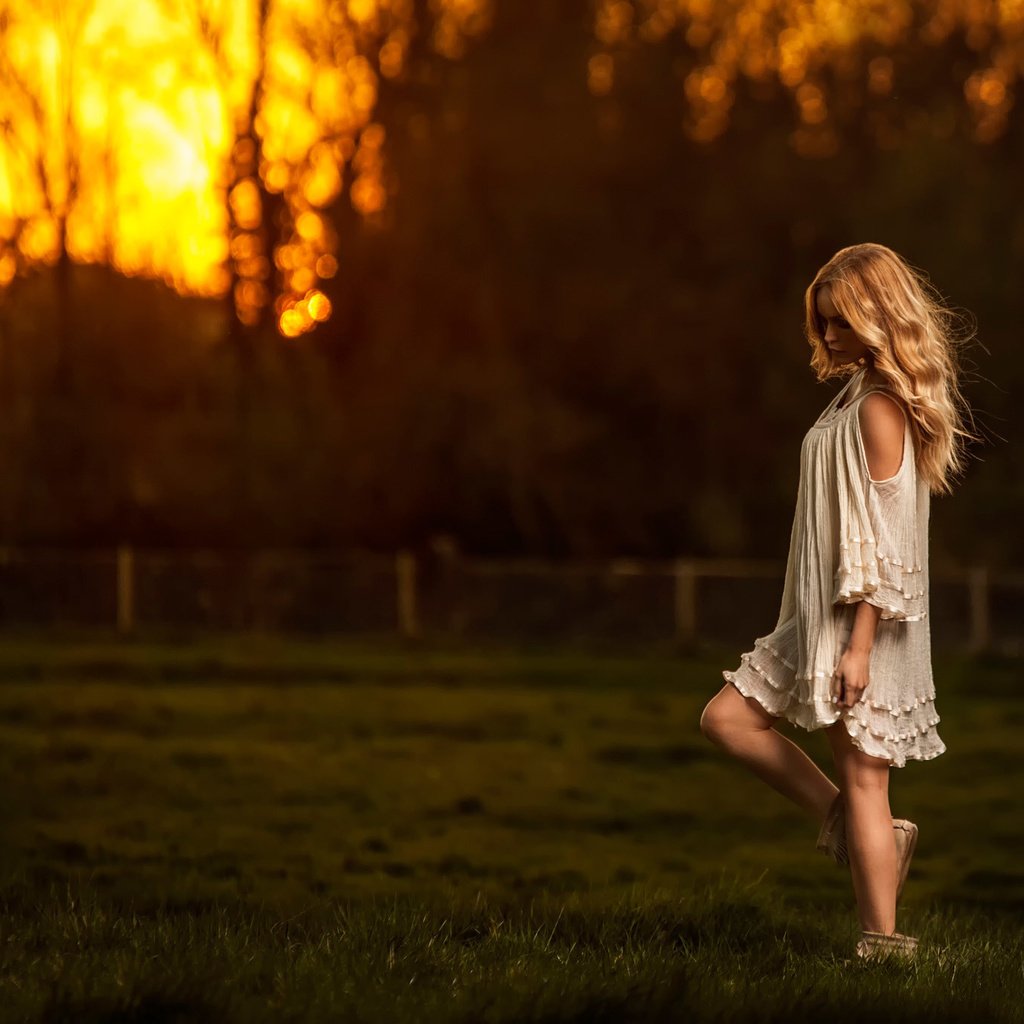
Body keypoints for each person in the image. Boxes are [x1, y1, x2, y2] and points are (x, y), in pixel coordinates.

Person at [699, 243, 977, 963]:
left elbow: (889, 546)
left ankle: (884, 946)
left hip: (862, 625)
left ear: (877, 318)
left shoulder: (882, 408)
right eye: (820, 323)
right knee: (727, 721)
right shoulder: (853, 392)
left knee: (864, 779)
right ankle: (858, 831)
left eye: (840, 323)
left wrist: (858, 646)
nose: (826, 337)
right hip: (816, 617)